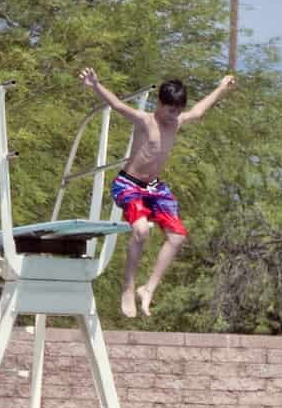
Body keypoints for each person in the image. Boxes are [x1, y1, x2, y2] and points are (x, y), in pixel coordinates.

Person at [78, 67, 235, 320]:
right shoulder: (144, 121)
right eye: (171, 110)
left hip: (154, 188)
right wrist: (95, 85)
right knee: (141, 230)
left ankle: (147, 288)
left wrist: (221, 88)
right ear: (160, 104)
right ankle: (128, 287)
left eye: (178, 111)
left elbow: (199, 110)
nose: (175, 116)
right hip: (128, 185)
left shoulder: (178, 121)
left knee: (177, 236)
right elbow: (117, 105)